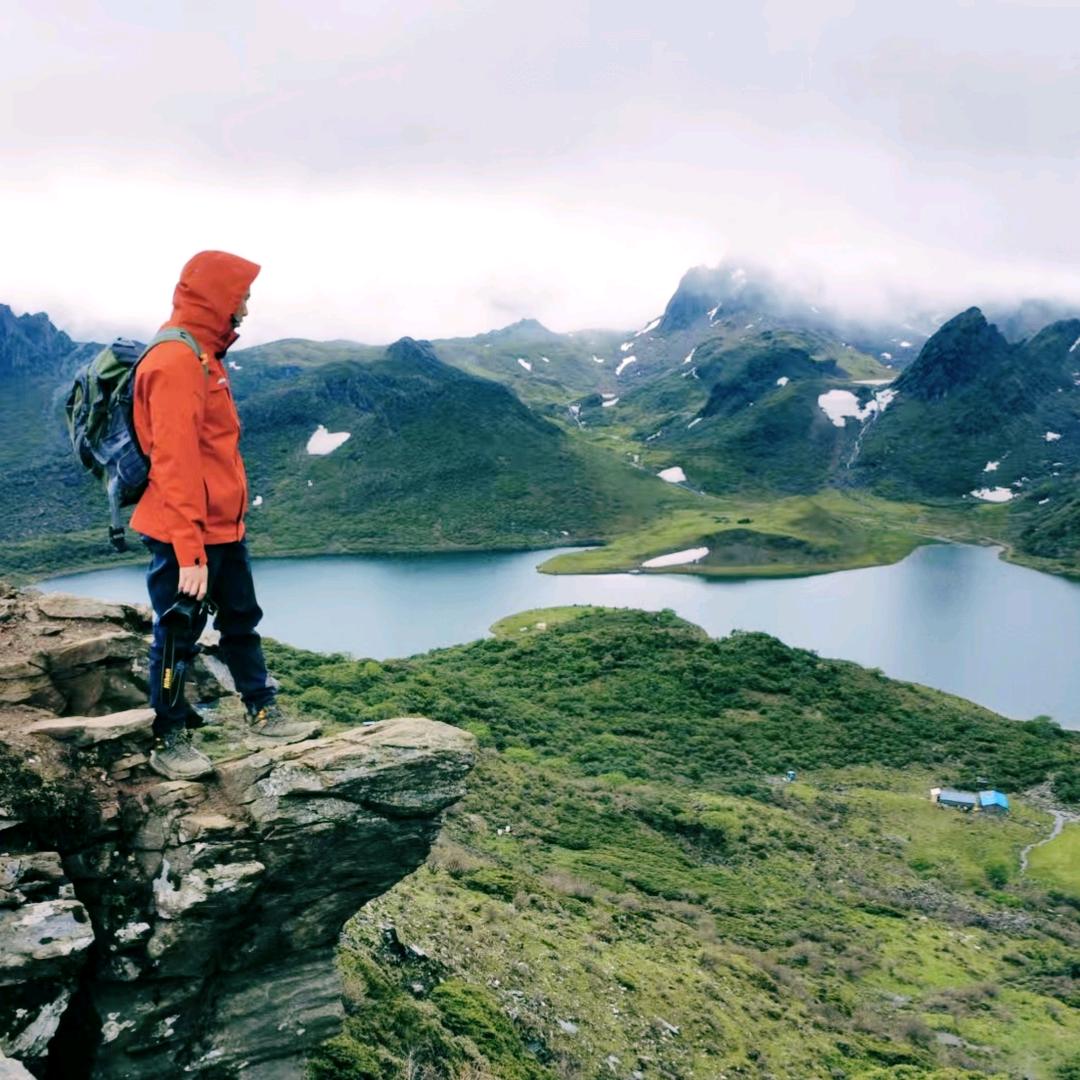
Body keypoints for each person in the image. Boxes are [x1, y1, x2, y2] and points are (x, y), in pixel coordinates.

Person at [131, 250, 318, 780]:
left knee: (241, 621)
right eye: (242, 299)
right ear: (217, 298)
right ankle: (168, 739)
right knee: (177, 634)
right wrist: (189, 552)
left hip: (221, 529)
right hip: (181, 533)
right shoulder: (173, 362)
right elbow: (174, 463)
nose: (247, 311)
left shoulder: (205, 357)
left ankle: (263, 709)